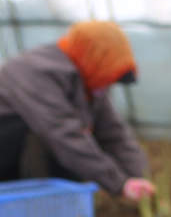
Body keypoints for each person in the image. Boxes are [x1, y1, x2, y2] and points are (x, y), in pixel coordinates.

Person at [0, 21, 155, 202]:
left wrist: (138, 176)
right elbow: (63, 133)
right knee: (53, 142)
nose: (106, 87)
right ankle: (39, 201)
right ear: (93, 56)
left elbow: (113, 132)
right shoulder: (33, 72)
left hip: (45, 145)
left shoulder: (89, 78)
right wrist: (119, 183)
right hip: (8, 152)